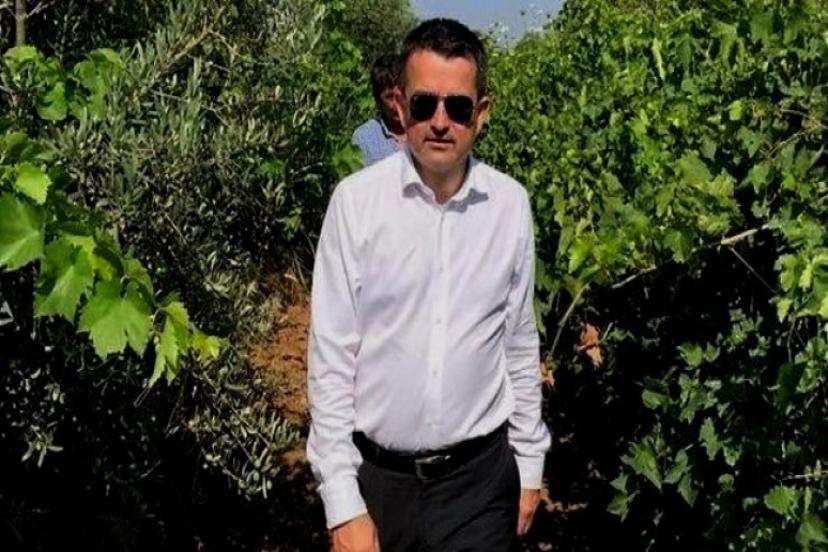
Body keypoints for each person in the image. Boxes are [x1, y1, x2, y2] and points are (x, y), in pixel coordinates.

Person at [307, 18, 550, 552]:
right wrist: (342, 500)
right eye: (424, 104)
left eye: (458, 107)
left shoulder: (509, 206)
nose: (440, 122)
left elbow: (517, 340)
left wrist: (530, 462)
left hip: (479, 484)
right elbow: (331, 359)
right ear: (400, 106)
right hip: (380, 485)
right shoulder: (356, 204)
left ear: (481, 113)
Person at [351, 53, 406, 166]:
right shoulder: (364, 138)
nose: (398, 104)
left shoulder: (427, 130)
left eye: (402, 94)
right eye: (390, 97)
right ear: (378, 100)